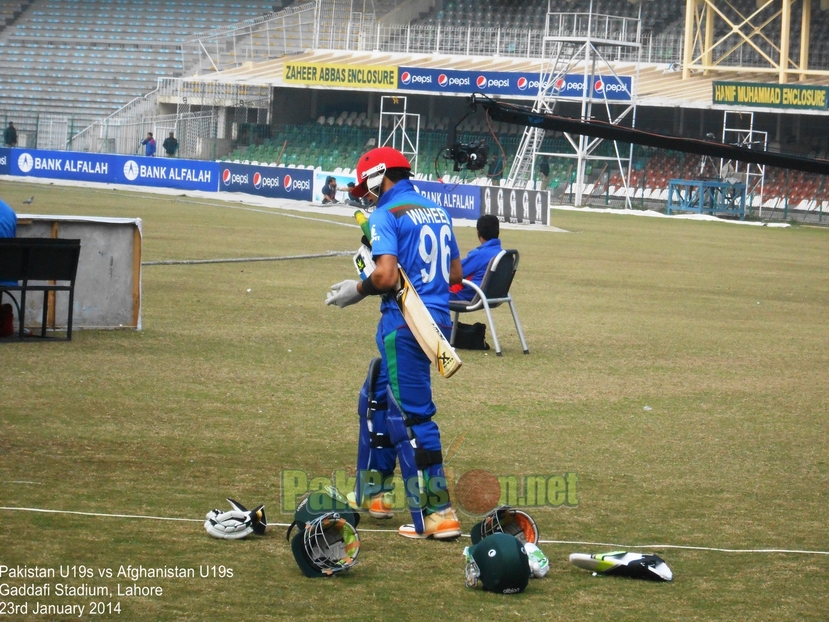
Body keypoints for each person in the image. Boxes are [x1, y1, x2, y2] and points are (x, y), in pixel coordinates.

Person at [325, 146, 464, 540]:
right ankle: (376, 493)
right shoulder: (437, 210)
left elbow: (384, 277)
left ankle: (439, 514)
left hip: (404, 323)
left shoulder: (386, 214)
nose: (365, 195)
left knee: (414, 418)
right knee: (375, 397)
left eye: (365, 187)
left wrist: (358, 287)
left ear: (378, 176)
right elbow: (454, 270)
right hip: (436, 320)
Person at [449, 214, 502, 302]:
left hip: (472, 295)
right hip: (492, 295)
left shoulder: (479, 254)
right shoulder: (501, 253)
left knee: (429, 294)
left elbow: (456, 272)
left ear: (478, 233)